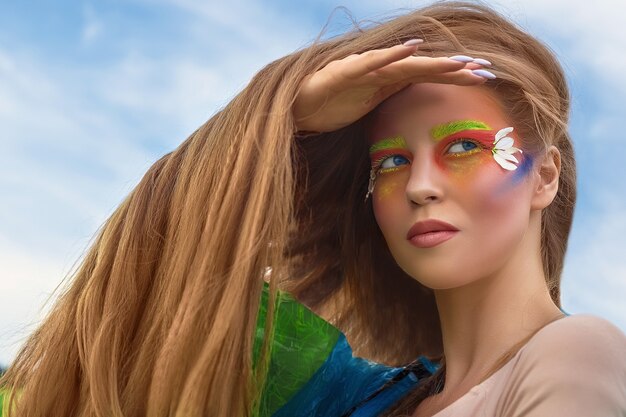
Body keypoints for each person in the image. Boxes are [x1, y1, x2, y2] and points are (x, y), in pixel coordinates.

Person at [1, 1, 625, 416]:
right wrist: (283, 120)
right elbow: (142, 303)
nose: (419, 186)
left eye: (464, 146)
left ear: (543, 175)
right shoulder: (348, 396)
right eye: (390, 162)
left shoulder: (575, 350)